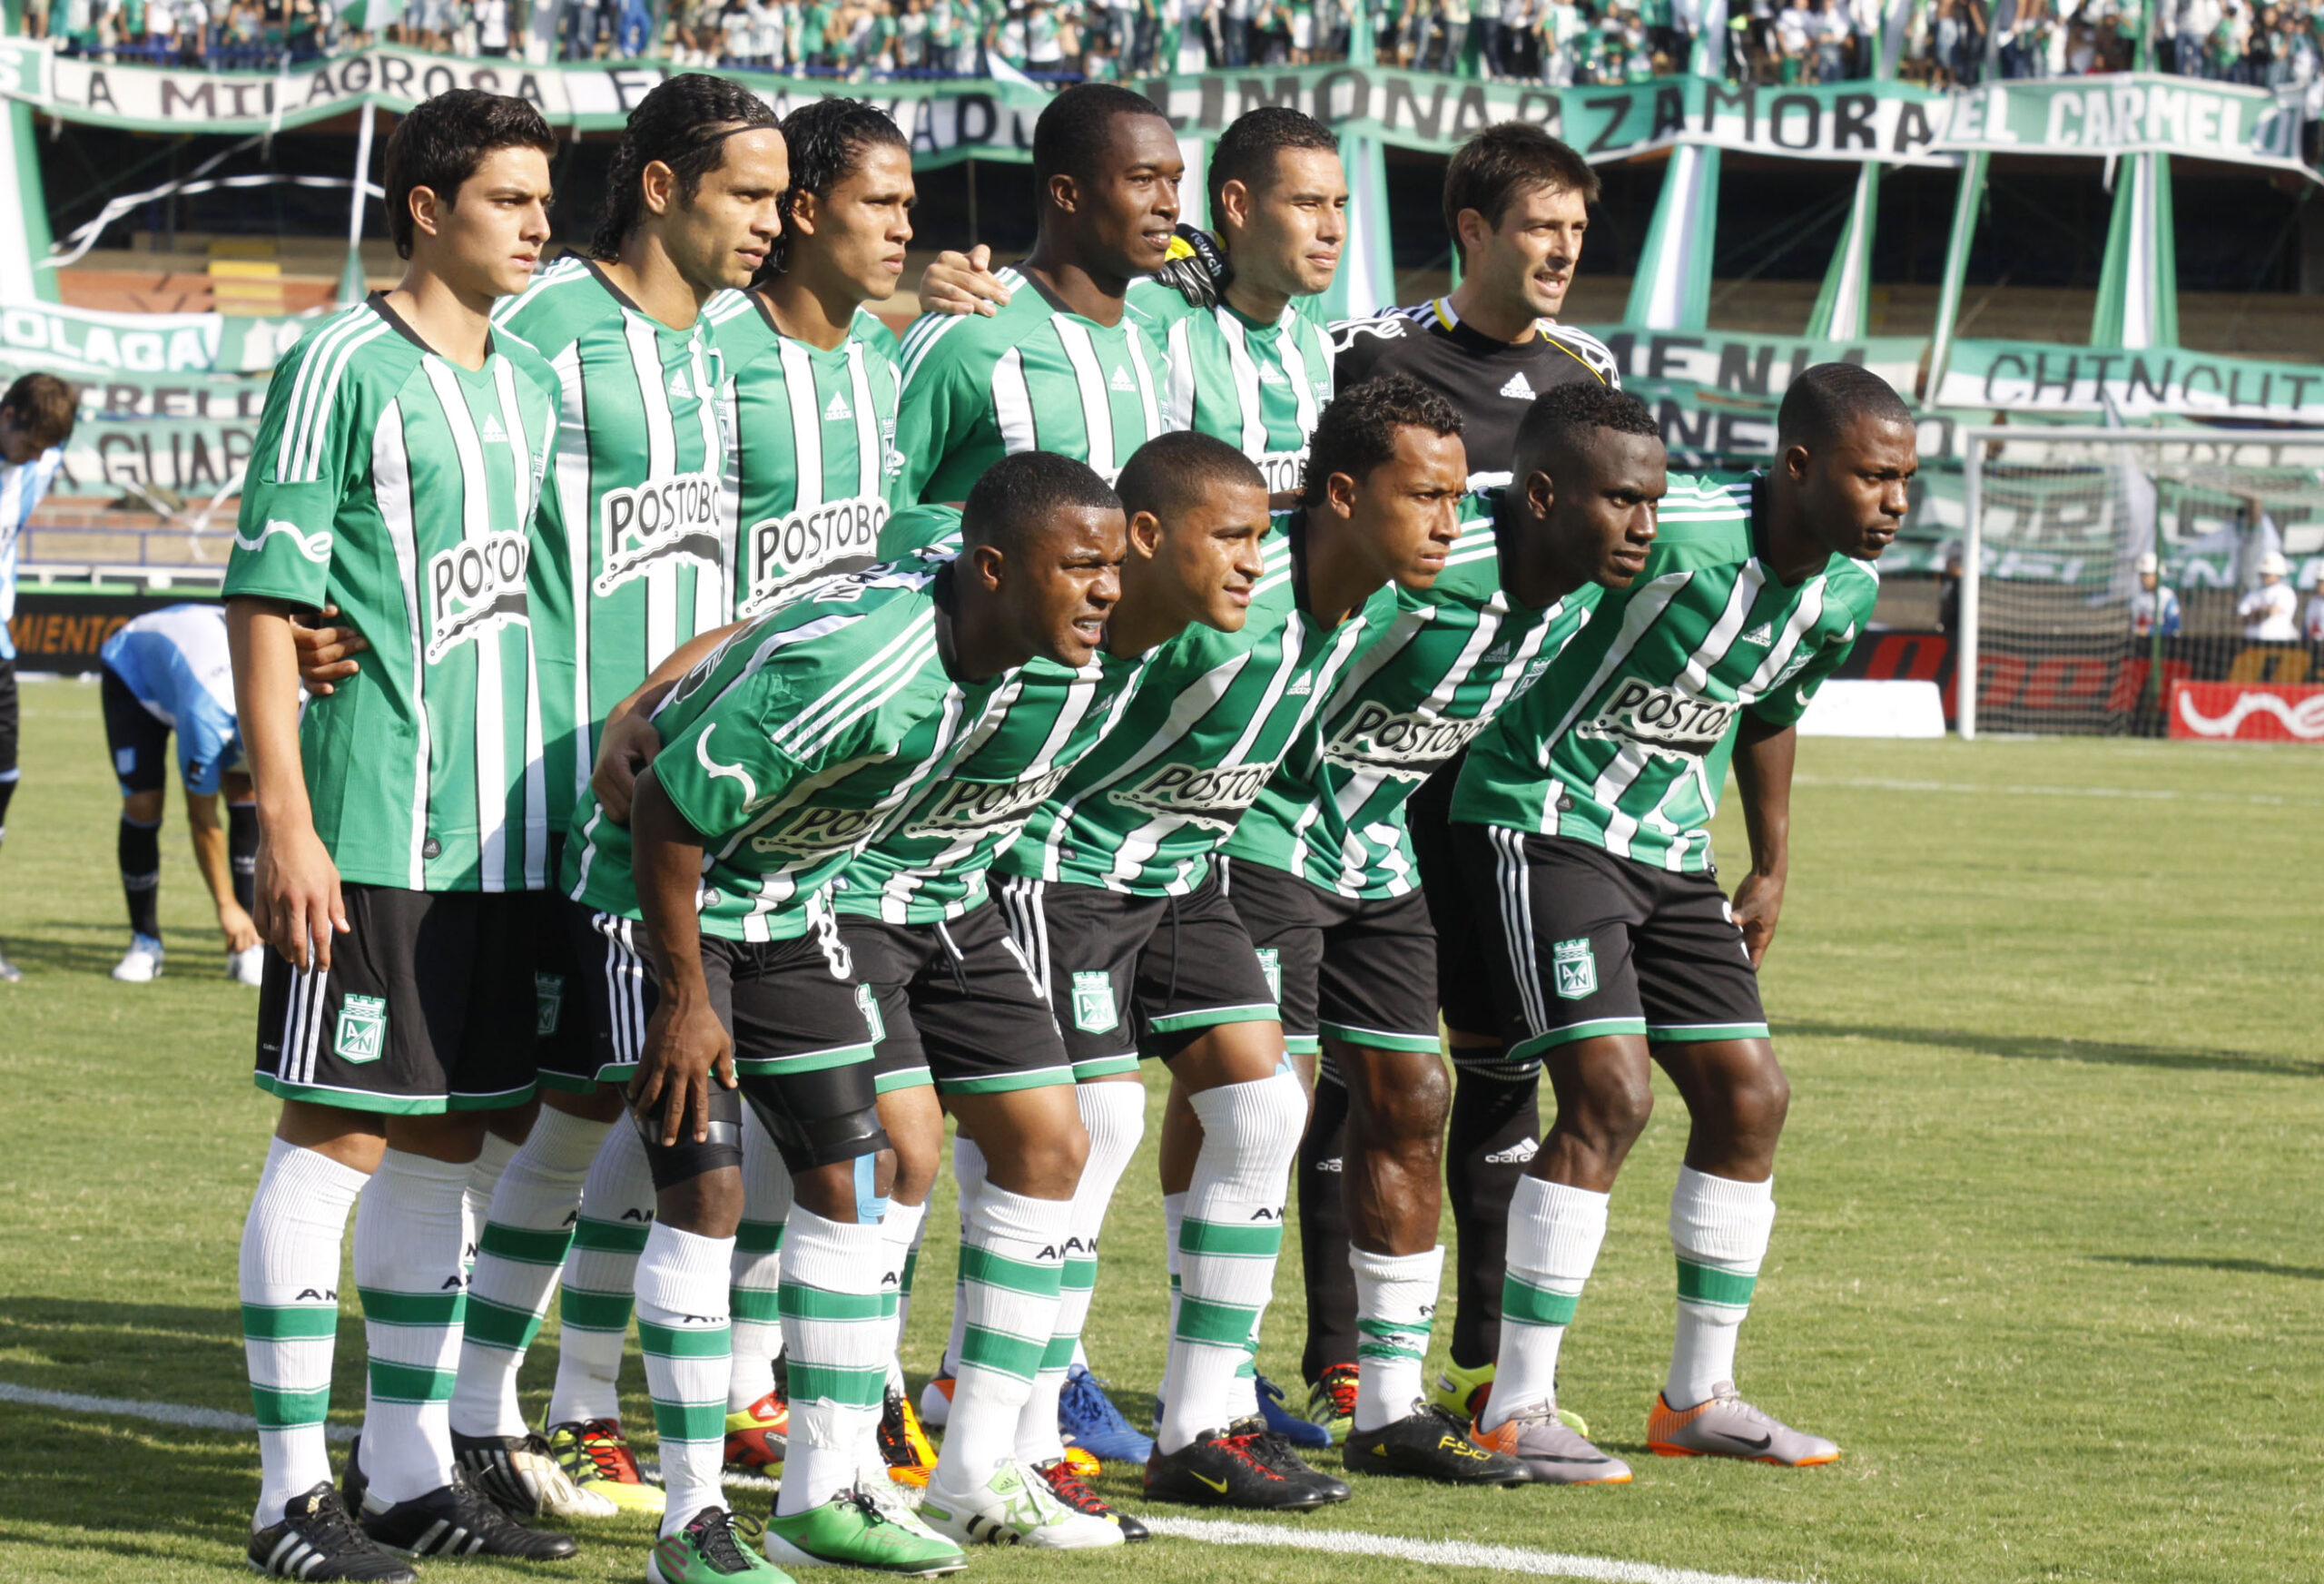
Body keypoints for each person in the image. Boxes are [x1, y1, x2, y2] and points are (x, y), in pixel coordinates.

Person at [560, 448, 1128, 1574]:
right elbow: (668, 810)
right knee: (708, 1194)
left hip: (788, 910)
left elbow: (833, 575)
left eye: (1113, 566)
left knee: (857, 1181)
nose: (1106, 589)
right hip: (662, 901)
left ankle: (825, 1490)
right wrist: (684, 1000)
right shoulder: (865, 668)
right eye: (1082, 566)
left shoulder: (1001, 629)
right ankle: (691, 1522)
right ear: (996, 566)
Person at [988, 376, 1521, 1508]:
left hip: (1184, 879)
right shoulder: (1213, 590)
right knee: (1101, 1119)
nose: (1447, 521)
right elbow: (1046, 644)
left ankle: (1199, 1422)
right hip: (1068, 868)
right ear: (1340, 496)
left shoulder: (1373, 607)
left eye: (1456, 496)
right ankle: (1018, 1428)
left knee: (1265, 1103)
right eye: (1423, 496)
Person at [224, 89, 579, 1581]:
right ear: (427, 207)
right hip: (372, 824)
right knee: (340, 1134)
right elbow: (265, 594)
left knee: (446, 1140)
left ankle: (405, 1467)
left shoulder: (528, 382)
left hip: (500, 839)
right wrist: (284, 821)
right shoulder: (338, 363)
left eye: (545, 199)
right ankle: (285, 1497)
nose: (538, 223)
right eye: (509, 198)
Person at [1450, 361, 1914, 1480]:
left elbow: (1768, 707)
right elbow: (1510, 544)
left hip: (1670, 851)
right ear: (1799, 468)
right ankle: (1515, 1403)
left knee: (1751, 1095)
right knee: (1609, 1093)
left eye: (1907, 479)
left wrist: (1773, 861)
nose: (1896, 501)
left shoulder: (1841, 590)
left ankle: (1697, 1394)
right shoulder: (1675, 529)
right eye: (1874, 477)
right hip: (1544, 818)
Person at [438, 74, 782, 1539]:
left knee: (618, 1104)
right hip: (544, 795)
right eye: (745, 194)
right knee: (534, 1107)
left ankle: (511, 1400)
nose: (771, 222)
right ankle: (466, 1411)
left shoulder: (724, 352)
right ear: (656, 185)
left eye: (779, 198)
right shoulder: (548, 325)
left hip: (678, 803)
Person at [1222, 379, 1664, 1486]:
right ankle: (1218, 1383)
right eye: (1621, 504)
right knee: (1254, 1103)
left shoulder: (1571, 595)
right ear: (1550, 498)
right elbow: (1289, 645)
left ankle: (1389, 1400)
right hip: (1273, 834)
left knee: (1414, 1099)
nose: (1643, 530)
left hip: (1381, 856)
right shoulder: (1419, 578)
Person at [1319, 121, 1621, 1443]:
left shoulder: (1584, 373)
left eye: (1577, 230)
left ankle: (1487, 1365)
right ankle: (1340, 1359)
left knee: (1498, 1071)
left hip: (1497, 777)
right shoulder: (1374, 357)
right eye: (1541, 227)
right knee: (1354, 1078)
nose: (1562, 253)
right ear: (1476, 231)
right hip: (1370, 769)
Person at [891, 83, 1180, 502]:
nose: (1169, 203)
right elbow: (882, 513)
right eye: (1142, 179)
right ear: (1066, 194)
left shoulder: (1153, 335)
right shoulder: (969, 330)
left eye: (1174, 180)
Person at [96, 602, 263, 986]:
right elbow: (202, 819)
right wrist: (225, 907)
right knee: (144, 802)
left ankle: (249, 944)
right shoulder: (207, 717)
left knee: (244, 789)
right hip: (135, 672)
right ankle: (145, 940)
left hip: (207, 672)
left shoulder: (290, 695)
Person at [0, 370, 77, 985]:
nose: (41, 458)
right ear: (7, 418)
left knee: (6, 780)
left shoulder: (40, 458)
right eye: (33, 444)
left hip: (0, 646)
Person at [2240, 548, 2298, 640]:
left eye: (2268, 574)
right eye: (2264, 573)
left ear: (2278, 574)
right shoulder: (2254, 592)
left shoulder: (2285, 592)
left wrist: (2256, 613)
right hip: (2252, 643)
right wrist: (2262, 612)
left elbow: (2272, 611)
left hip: (2278, 643)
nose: (2265, 577)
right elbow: (2242, 615)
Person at [2130, 552, 2181, 639]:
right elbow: (2135, 624)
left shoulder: (2167, 597)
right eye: (2142, 575)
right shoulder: (2137, 599)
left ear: (2157, 575)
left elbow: (2174, 628)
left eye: (2148, 575)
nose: (2144, 579)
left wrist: (2150, 631)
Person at [2303, 565, 2324, 643]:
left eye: (2322, 582)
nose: (2319, 585)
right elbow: (2308, 627)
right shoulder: (2313, 602)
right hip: (2316, 646)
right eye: (2318, 582)